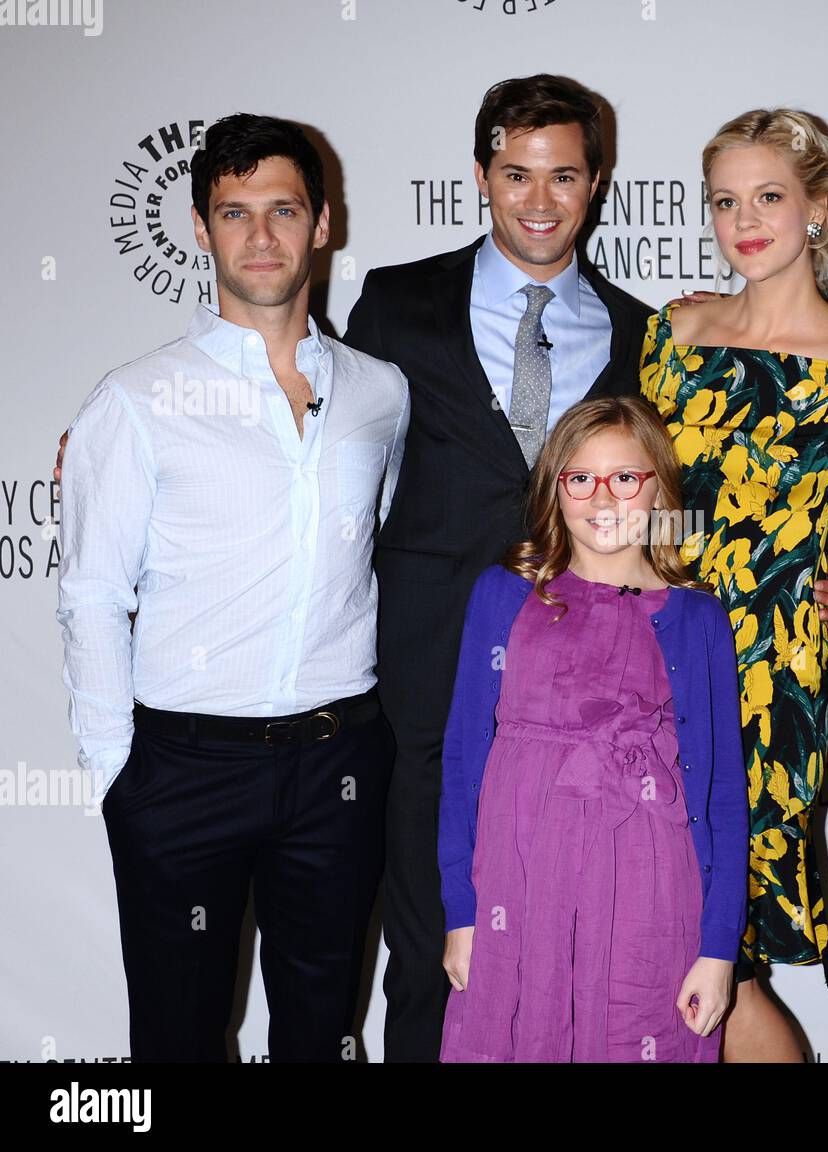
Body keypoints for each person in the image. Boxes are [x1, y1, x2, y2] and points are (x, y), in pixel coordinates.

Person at [56, 114, 409, 1062]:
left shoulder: (381, 392)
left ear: (322, 224)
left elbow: (383, 539)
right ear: (204, 230)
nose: (261, 237)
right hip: (183, 772)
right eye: (235, 213)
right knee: (175, 1039)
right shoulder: (135, 401)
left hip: (339, 761)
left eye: (284, 209)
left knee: (320, 1030)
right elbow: (91, 594)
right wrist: (119, 777)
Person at [341, 75, 654, 1061]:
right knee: (431, 947)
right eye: (516, 174)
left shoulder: (645, 334)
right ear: (481, 175)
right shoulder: (398, 304)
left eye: (563, 176)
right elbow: (319, 442)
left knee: (580, 955)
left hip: (589, 696)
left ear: (595, 182)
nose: (538, 200)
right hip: (430, 681)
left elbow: (674, 508)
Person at [640, 108, 828, 1061]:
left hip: (775, 676)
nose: (745, 221)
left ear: (819, 209)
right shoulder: (676, 333)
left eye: (770, 197)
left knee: (726, 950)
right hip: (653, 653)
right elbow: (643, 499)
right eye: (725, 201)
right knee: (665, 936)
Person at [437, 396, 747, 1062]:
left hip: (651, 895)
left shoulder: (698, 618)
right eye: (581, 478)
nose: (602, 496)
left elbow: (722, 795)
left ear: (660, 489)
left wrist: (719, 948)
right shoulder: (504, 595)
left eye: (625, 478)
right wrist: (461, 909)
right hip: (518, 892)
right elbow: (464, 760)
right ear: (556, 489)